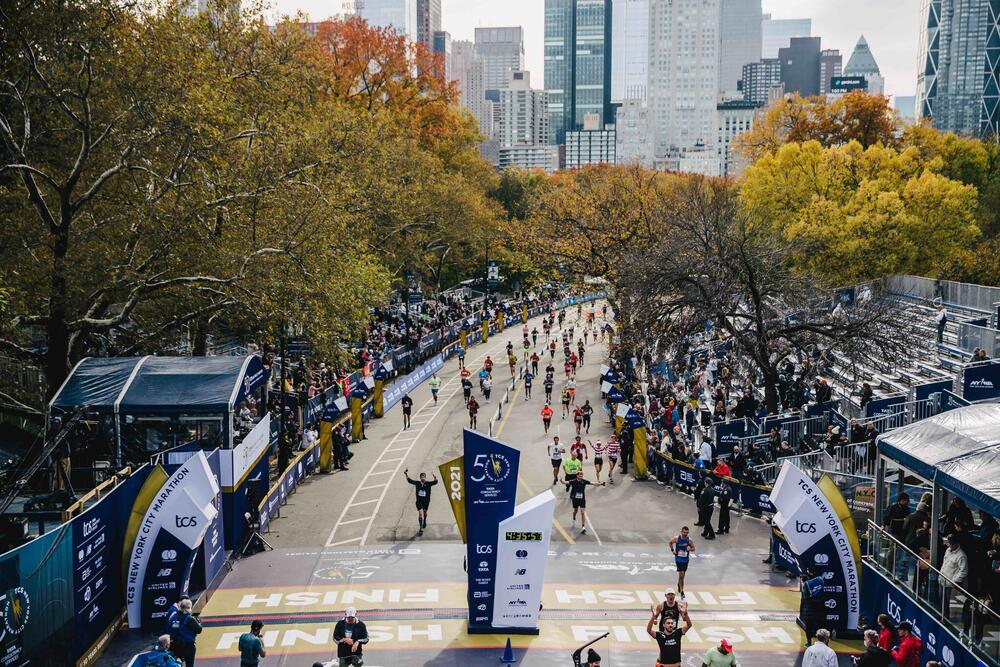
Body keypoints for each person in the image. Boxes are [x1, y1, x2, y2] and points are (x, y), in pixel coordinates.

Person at [166, 597, 202, 666]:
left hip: (176, 645)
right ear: (189, 607)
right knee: (189, 664)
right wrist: (199, 622)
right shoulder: (189, 618)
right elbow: (199, 630)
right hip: (188, 646)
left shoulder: (174, 616)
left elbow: (171, 629)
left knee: (177, 663)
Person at [941, 533, 969, 618]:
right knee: (942, 602)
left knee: (948, 603)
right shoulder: (948, 550)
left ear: (957, 544)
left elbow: (964, 571)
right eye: (949, 543)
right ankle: (942, 616)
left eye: (951, 544)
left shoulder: (961, 556)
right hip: (942, 580)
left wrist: (954, 581)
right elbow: (944, 563)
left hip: (950, 584)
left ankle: (947, 619)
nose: (949, 545)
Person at [404, 468, 438, 536]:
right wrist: (406, 474)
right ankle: (421, 528)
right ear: (420, 477)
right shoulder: (417, 483)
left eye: (424, 477)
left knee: (424, 513)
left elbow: (436, 482)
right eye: (421, 477)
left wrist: (434, 476)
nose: (422, 478)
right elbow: (409, 480)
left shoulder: (428, 483)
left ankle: (424, 520)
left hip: (426, 501)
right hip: (419, 501)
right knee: (420, 514)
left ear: (425, 477)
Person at [669, 527, 696, 598]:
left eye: (687, 533)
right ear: (681, 532)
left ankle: (679, 584)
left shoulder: (689, 540)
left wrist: (690, 549)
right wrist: (672, 550)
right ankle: (682, 592)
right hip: (678, 559)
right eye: (684, 532)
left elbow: (693, 548)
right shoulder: (677, 538)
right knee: (681, 575)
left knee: (682, 576)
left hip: (685, 560)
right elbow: (670, 542)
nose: (685, 534)